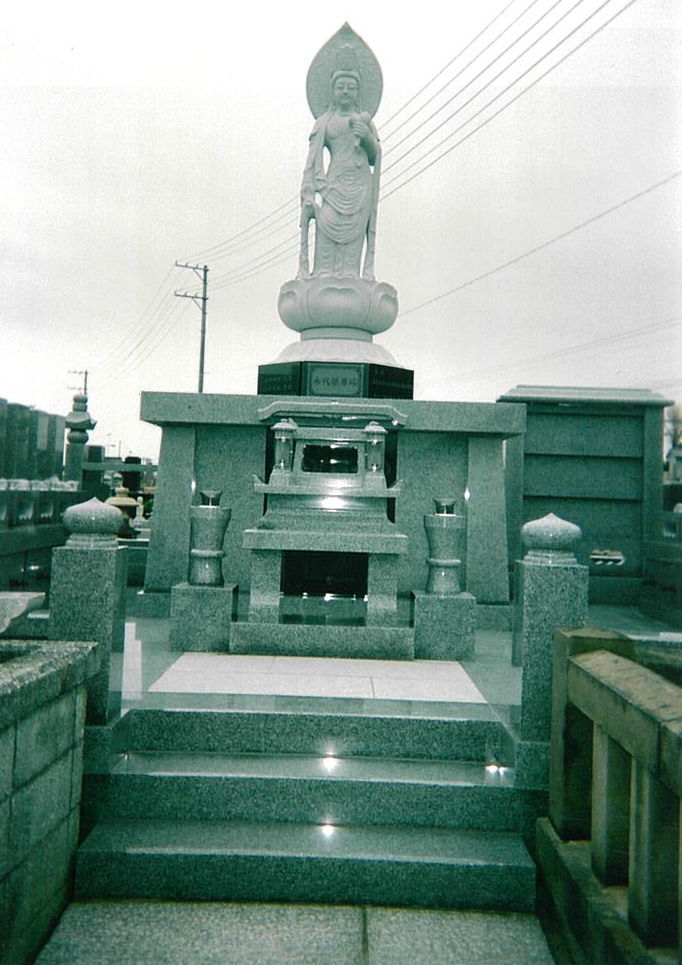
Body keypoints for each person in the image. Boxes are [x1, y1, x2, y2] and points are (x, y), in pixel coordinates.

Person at [299, 69, 380, 280]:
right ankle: (323, 275)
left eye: (351, 88)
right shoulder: (324, 122)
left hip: (360, 187)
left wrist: (367, 139)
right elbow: (312, 160)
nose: (345, 91)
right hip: (332, 187)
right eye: (340, 87)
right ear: (332, 91)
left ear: (358, 92)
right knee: (327, 232)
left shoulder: (366, 122)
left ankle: (350, 277)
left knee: (352, 248)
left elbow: (374, 157)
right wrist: (309, 191)